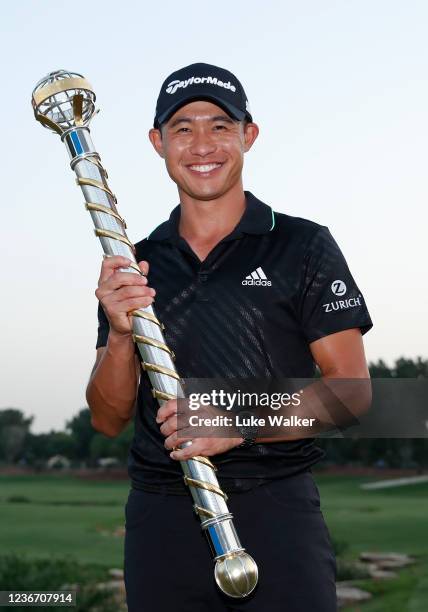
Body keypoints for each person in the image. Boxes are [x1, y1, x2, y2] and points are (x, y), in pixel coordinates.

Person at [86, 63, 373, 612]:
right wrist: (122, 336)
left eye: (220, 125)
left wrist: (234, 422)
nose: (201, 144)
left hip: (276, 511)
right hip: (160, 518)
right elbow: (106, 417)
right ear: (157, 142)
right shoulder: (133, 263)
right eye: (183, 127)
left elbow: (352, 394)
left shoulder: (302, 246)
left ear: (248, 135)